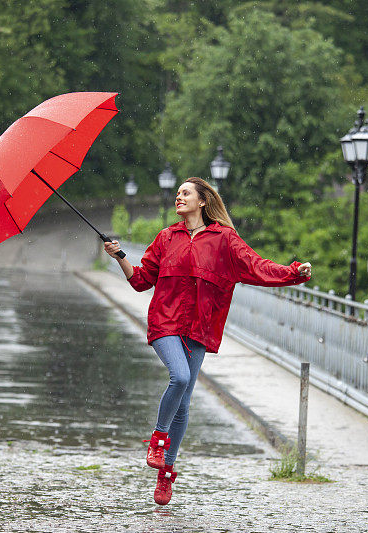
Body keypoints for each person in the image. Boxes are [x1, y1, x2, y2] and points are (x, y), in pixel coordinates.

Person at [104, 176, 311, 505]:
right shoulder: (166, 237)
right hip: (165, 322)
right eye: (177, 193)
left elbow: (256, 266)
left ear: (203, 201)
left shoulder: (225, 239)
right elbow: (142, 281)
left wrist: (291, 272)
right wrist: (120, 257)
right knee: (181, 377)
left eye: (185, 193)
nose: (178, 197)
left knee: (184, 404)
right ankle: (157, 439)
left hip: (200, 328)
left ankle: (165, 473)